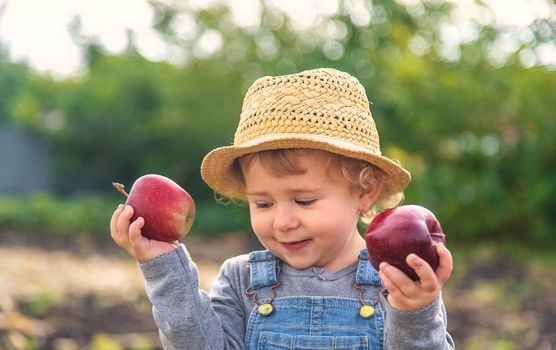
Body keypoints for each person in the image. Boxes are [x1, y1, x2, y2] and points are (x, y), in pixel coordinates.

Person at [110, 68, 455, 349]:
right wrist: (161, 265)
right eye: (262, 203)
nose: (283, 221)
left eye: (304, 201)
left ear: (365, 191)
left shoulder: (396, 281)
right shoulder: (243, 281)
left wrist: (414, 312)